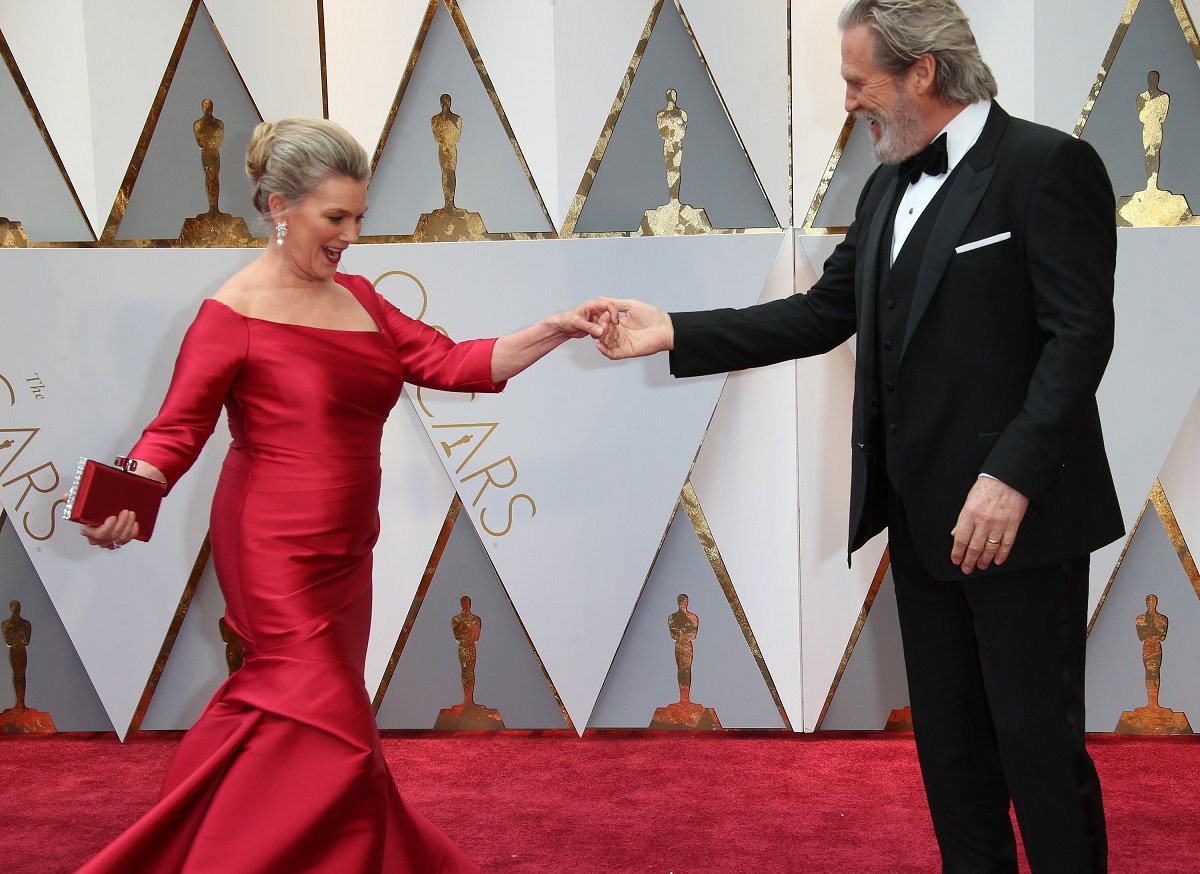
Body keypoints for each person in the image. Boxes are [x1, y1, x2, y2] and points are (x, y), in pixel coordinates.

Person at [594, 1, 1121, 871]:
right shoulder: (886, 183)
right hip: (920, 523)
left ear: (923, 72)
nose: (848, 102)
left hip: (1020, 522)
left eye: (855, 81)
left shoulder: (1047, 166)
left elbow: (1080, 338)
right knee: (950, 752)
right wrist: (675, 332)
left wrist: (1012, 476)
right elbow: (821, 314)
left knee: (1037, 749)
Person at [76, 116, 606, 873]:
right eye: (335, 218)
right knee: (327, 721)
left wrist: (555, 328)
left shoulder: (360, 298)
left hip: (348, 550)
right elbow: (175, 432)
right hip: (272, 551)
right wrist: (135, 490)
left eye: (359, 217)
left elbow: (455, 363)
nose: (351, 234)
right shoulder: (230, 314)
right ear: (278, 206)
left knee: (292, 719)